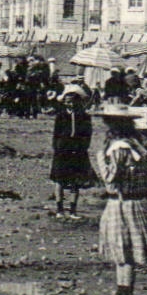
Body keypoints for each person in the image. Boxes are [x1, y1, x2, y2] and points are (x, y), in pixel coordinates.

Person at [94, 103, 147, 295]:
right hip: (136, 200)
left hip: (123, 202)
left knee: (123, 251)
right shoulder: (135, 144)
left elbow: (110, 178)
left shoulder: (118, 148)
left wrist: (99, 159)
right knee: (126, 252)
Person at [49, 84, 95, 218]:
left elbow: (88, 134)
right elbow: (56, 134)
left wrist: (83, 147)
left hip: (78, 152)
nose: (71, 104)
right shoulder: (61, 116)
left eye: (73, 101)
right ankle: (59, 210)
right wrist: (57, 148)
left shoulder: (84, 117)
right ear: (64, 102)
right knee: (59, 180)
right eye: (68, 102)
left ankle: (73, 210)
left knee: (75, 181)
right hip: (62, 151)